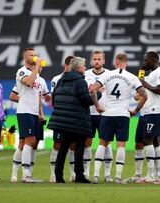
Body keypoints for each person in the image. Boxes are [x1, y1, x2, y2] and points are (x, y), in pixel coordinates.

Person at [92, 53, 147, 184]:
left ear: (116, 62)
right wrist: (136, 111)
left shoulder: (107, 75)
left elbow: (92, 89)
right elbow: (144, 95)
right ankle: (117, 177)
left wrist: (98, 105)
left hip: (107, 114)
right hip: (123, 114)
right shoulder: (132, 77)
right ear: (126, 63)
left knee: (102, 143)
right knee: (121, 145)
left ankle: (95, 176)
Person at [47, 57, 101, 183]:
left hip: (62, 121)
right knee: (79, 147)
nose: (86, 68)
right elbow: (87, 100)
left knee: (63, 147)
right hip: (77, 121)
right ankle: (79, 175)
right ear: (78, 68)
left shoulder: (61, 80)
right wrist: (98, 94)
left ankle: (58, 176)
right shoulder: (80, 81)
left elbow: (54, 100)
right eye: (84, 66)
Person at [125, 52, 160, 183]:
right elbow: (145, 95)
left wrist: (145, 83)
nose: (143, 62)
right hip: (145, 112)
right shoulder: (150, 75)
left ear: (152, 60)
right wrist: (136, 110)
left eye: (145, 60)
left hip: (155, 112)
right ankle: (153, 175)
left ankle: (152, 175)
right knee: (144, 141)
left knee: (149, 140)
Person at [10, 47, 47, 183]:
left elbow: (41, 95)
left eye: (36, 55)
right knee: (30, 141)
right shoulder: (22, 71)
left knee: (24, 143)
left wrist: (46, 101)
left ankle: (16, 175)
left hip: (34, 112)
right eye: (31, 55)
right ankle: (26, 175)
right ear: (25, 57)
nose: (34, 57)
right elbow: (28, 82)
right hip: (25, 111)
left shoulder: (38, 77)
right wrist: (37, 67)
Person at [84, 50, 111, 181]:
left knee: (106, 142)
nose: (97, 61)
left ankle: (107, 174)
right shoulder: (85, 74)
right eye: (95, 59)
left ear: (104, 61)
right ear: (92, 60)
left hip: (105, 114)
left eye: (99, 59)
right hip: (89, 113)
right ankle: (86, 172)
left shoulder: (110, 75)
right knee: (87, 142)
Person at [49, 55, 77, 183]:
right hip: (61, 117)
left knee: (73, 145)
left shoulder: (78, 79)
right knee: (57, 145)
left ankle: (73, 173)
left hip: (73, 118)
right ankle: (53, 174)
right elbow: (54, 99)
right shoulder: (56, 79)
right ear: (67, 65)